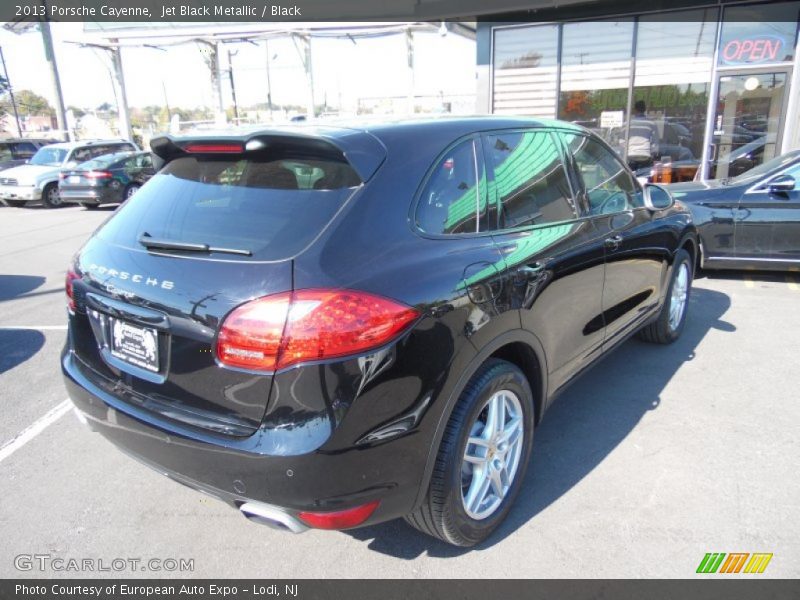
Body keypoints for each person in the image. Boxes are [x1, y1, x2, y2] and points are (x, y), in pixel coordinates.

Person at [627, 100, 660, 170]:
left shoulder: (627, 124)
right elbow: (655, 143)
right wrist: (653, 155)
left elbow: (622, 142)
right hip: (645, 155)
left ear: (634, 110)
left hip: (630, 155)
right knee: (644, 178)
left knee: (630, 177)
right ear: (645, 109)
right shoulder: (651, 124)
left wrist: (628, 149)